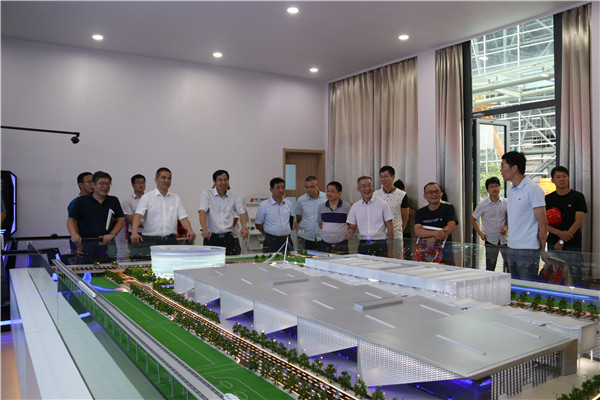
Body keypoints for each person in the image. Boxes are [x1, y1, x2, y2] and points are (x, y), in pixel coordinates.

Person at [501, 151, 547, 280]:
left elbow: (543, 222)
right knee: (514, 287)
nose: (501, 170)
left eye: (503, 166)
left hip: (528, 249)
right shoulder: (510, 189)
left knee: (527, 287)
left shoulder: (533, 189)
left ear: (514, 168)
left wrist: (543, 250)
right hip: (511, 247)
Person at [131, 167, 196, 249]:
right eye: (163, 177)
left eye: (169, 178)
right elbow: (138, 216)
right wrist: (134, 232)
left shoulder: (176, 198)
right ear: (156, 180)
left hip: (171, 240)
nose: (166, 180)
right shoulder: (147, 197)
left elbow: (183, 218)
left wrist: (190, 230)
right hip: (151, 240)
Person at [67, 171, 124, 262]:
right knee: (87, 269)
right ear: (93, 185)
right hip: (87, 245)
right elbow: (71, 220)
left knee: (110, 269)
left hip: (109, 246)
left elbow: (120, 220)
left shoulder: (113, 200)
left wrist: (111, 234)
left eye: (108, 184)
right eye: (102, 183)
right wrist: (74, 234)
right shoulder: (82, 201)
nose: (105, 186)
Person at [545, 166, 587, 285]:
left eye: (564, 176)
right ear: (552, 180)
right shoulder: (548, 199)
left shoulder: (578, 197)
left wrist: (561, 241)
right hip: (553, 244)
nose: (562, 179)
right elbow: (543, 223)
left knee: (578, 277)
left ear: (568, 178)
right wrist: (559, 235)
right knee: (556, 278)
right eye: (558, 177)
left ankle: (580, 296)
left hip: (573, 244)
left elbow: (578, 221)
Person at [199, 169, 249, 255]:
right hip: (212, 238)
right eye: (220, 180)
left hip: (229, 238)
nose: (223, 182)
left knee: (231, 263)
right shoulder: (207, 194)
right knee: (212, 263)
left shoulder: (234, 196)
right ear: (214, 182)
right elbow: (202, 212)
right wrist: (204, 229)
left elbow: (242, 213)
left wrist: (244, 227)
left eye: (225, 180)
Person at [345, 176, 394, 258]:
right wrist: (350, 231)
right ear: (358, 189)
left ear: (372, 187)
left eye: (369, 185)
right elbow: (352, 227)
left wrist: (390, 250)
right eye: (364, 186)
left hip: (380, 243)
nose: (367, 188)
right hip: (363, 244)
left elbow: (390, 229)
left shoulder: (383, 204)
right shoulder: (355, 206)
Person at [414, 182, 458, 265]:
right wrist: (436, 235)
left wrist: (434, 239)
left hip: (445, 252)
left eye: (437, 191)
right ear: (425, 196)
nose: (434, 194)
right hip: (424, 253)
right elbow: (417, 231)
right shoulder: (420, 212)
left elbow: (451, 227)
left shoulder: (448, 208)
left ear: (441, 193)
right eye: (430, 192)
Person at [470, 177, 508, 271]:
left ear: (500, 188)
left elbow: (511, 218)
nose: (494, 189)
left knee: (510, 266)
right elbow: (472, 219)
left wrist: (506, 227)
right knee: (490, 267)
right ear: (487, 190)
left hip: (505, 240)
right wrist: (480, 234)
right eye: (491, 186)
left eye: (496, 186)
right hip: (490, 240)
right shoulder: (483, 204)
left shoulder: (506, 202)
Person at [373, 166, 409, 258]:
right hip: (379, 236)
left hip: (396, 236)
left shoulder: (402, 195)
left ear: (393, 177)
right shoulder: (375, 195)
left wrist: (400, 230)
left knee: (396, 262)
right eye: (381, 177)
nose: (383, 179)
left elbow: (405, 217)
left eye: (385, 176)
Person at [255, 177, 294, 253]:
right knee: (270, 259)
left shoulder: (288, 203)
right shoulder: (264, 205)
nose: (281, 190)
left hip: (287, 239)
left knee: (289, 259)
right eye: (278, 188)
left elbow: (291, 220)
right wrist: (268, 234)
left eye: (283, 187)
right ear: (271, 189)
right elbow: (258, 224)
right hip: (271, 240)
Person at [317, 181, 352, 254]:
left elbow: (351, 225)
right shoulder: (321, 206)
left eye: (332, 191)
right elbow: (320, 224)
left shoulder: (347, 207)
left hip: (341, 244)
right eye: (328, 191)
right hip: (324, 243)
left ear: (339, 193)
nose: (329, 193)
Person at [295, 176, 326, 251]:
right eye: (306, 187)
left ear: (317, 186)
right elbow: (298, 217)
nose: (309, 189)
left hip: (322, 235)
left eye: (311, 187)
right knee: (305, 256)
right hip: (306, 236)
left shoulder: (326, 198)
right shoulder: (301, 200)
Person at [122, 174, 146, 239]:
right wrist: (146, 225)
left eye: (143, 182)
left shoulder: (150, 199)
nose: (141, 185)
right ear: (133, 185)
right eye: (138, 182)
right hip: (135, 233)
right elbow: (128, 219)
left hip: (150, 233)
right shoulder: (127, 200)